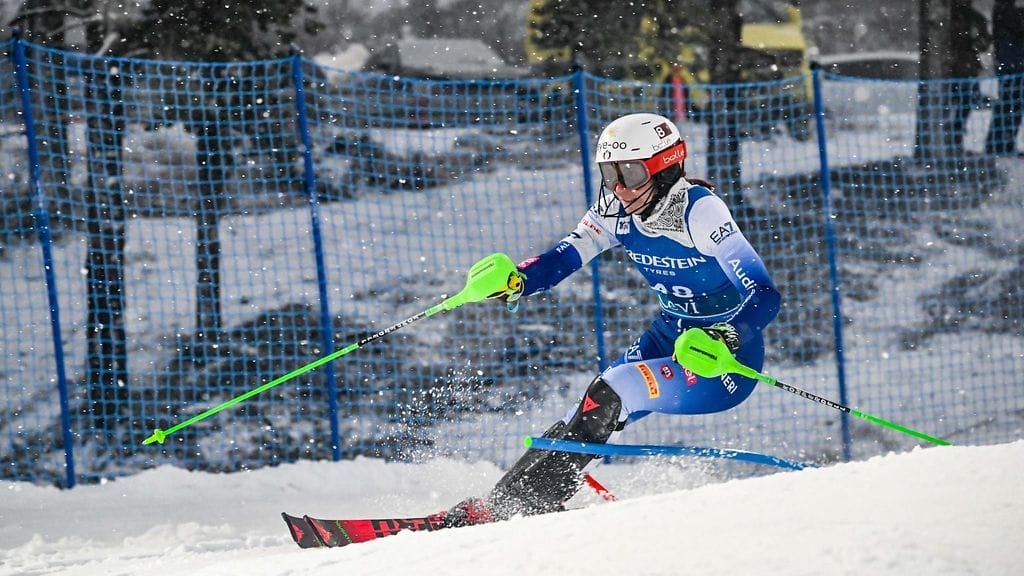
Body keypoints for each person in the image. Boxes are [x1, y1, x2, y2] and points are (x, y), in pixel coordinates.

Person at [443, 112, 781, 526]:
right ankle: (499, 506)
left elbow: (764, 293)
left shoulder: (701, 212)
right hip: (671, 332)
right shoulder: (614, 206)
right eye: (610, 173)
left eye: (631, 172)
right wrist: (519, 279)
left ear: (664, 167)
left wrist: (727, 336)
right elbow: (567, 255)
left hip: (722, 359)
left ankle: (525, 510)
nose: (619, 187)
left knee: (614, 389)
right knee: (585, 408)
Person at [948, 0, 991, 153]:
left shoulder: (974, 18)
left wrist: (977, 42)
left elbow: (984, 43)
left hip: (965, 66)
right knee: (956, 103)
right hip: (955, 67)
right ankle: (953, 137)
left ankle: (956, 138)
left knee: (964, 103)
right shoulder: (947, 16)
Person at [985, 0, 1024, 156]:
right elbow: (1018, 24)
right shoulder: (1005, 10)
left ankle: (1002, 143)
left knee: (1010, 105)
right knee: (1010, 105)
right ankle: (1000, 144)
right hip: (1012, 64)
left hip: (1011, 63)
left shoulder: (1003, 10)